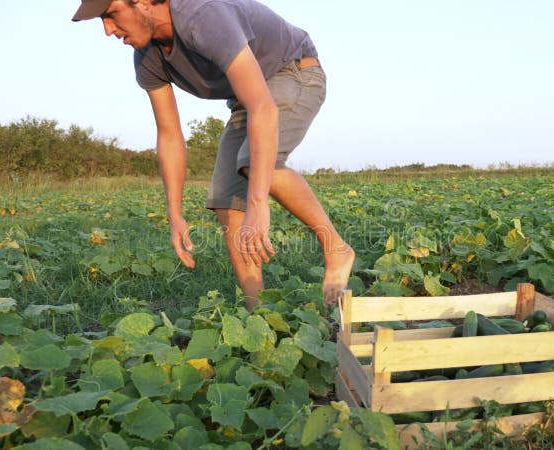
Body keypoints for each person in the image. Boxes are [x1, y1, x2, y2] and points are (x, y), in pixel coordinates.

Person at [72, 0, 354, 310]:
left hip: (292, 71)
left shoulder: (202, 16)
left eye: (111, 15)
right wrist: (175, 215)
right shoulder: (147, 57)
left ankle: (335, 247)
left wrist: (258, 206)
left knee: (256, 164)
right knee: (226, 197)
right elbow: (169, 135)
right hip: (247, 97)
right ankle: (256, 313)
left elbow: (264, 108)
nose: (108, 30)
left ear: (141, 2)